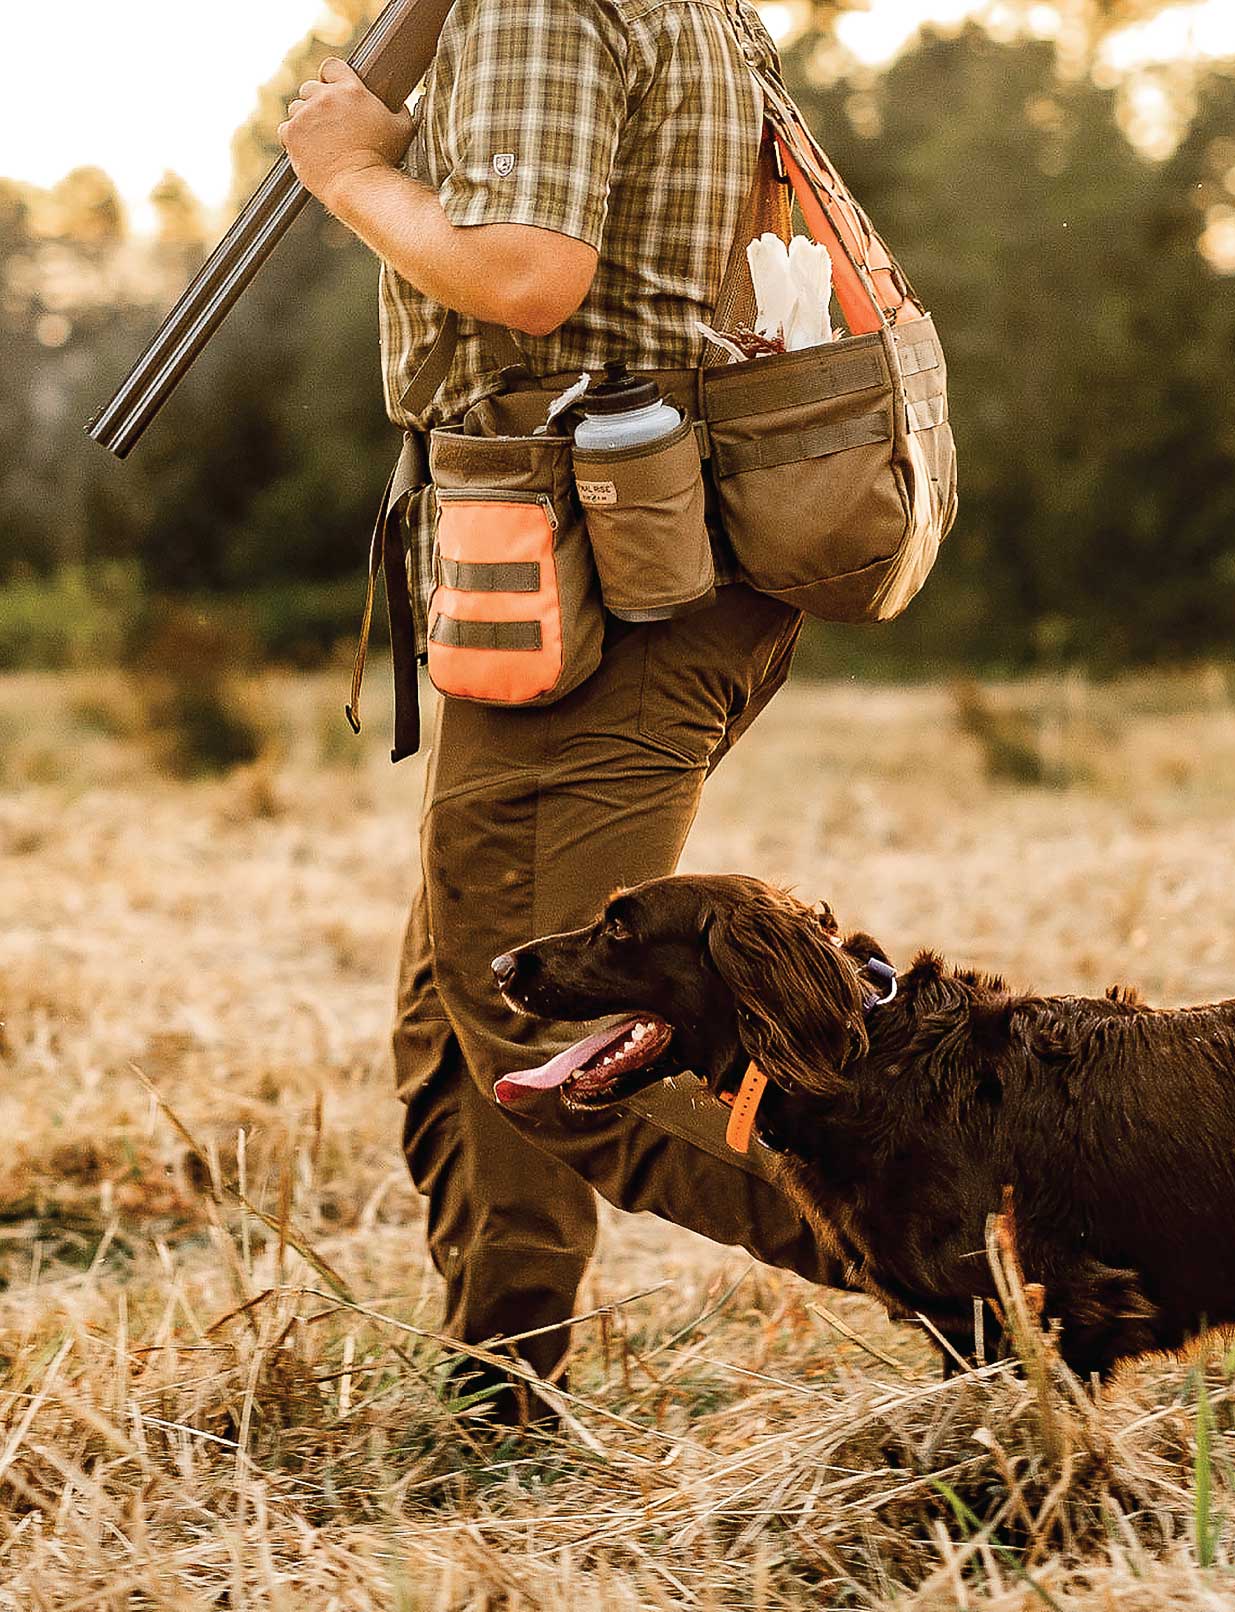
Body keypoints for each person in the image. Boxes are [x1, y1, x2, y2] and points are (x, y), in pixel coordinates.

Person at [279, 0, 847, 1418]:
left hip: (597, 580)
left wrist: (352, 173)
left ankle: (996, 1260)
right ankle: (500, 1398)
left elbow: (533, 275)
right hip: (615, 564)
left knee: (563, 1033)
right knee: (466, 1019)